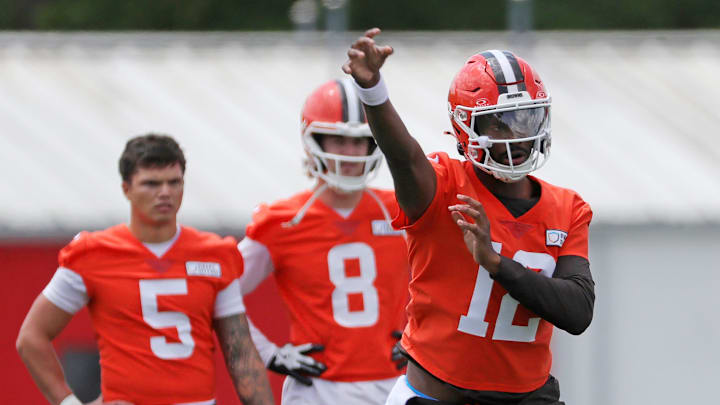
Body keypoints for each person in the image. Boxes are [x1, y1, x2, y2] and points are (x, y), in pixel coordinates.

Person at [342, 29, 595, 405]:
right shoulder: (443, 186)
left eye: (526, 118)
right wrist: (373, 92)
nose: (518, 135)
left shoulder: (566, 207)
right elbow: (403, 157)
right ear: (466, 127)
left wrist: (495, 263)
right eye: (500, 122)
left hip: (528, 397)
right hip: (437, 395)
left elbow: (577, 312)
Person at [16, 134, 274, 405]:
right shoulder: (92, 254)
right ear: (126, 188)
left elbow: (241, 353)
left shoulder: (215, 254)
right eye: (152, 183)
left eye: (174, 182)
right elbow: (31, 337)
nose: (165, 192)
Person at [238, 79, 410, 405]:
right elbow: (217, 291)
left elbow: (451, 279)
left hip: (392, 386)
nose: (351, 153)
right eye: (338, 140)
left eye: (359, 142)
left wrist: (424, 336)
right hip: (316, 390)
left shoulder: (400, 211)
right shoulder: (284, 221)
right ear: (313, 140)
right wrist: (267, 353)